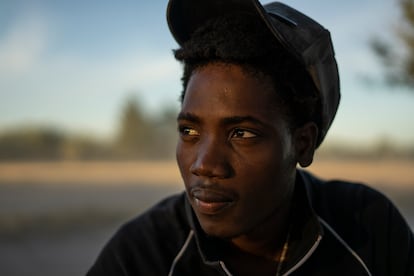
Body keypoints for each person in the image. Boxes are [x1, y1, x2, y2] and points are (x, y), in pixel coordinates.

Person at [87, 1, 414, 275]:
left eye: (241, 133)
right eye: (189, 131)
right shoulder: (143, 256)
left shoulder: (368, 229)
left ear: (303, 144)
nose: (204, 164)